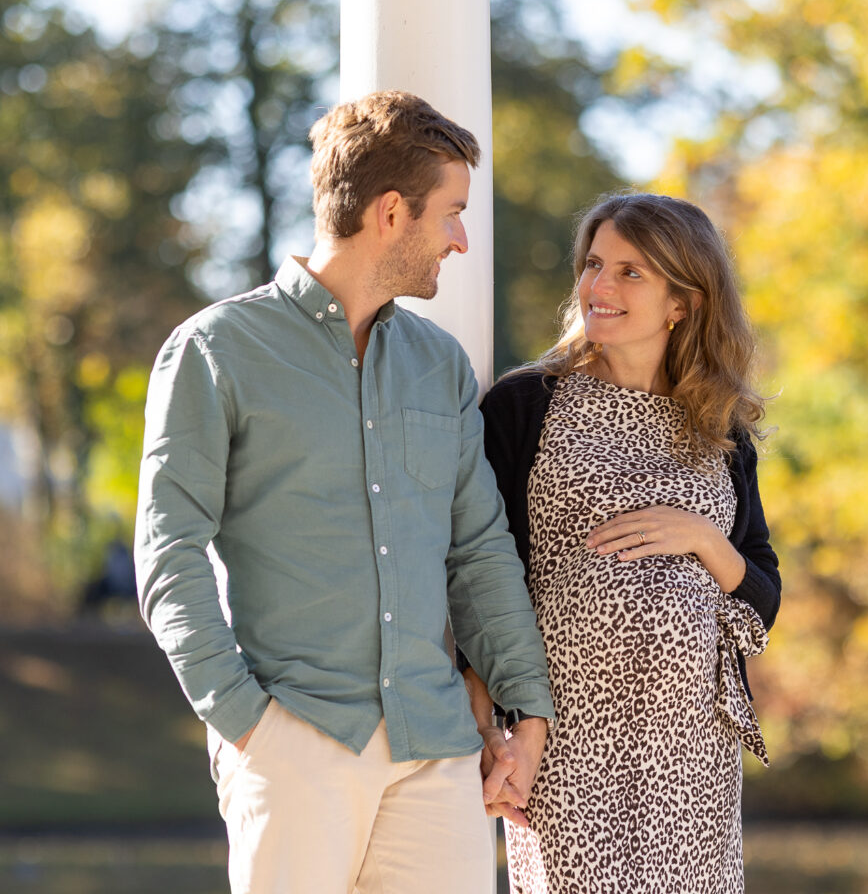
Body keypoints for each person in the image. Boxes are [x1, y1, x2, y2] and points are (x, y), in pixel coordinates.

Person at [134, 90, 554, 894]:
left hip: (435, 751)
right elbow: (168, 555)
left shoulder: (438, 364)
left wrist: (525, 709)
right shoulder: (215, 352)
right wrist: (246, 723)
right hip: (294, 743)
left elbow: (478, 551)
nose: (461, 240)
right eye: (452, 214)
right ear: (390, 213)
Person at [471, 192, 781, 894]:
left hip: (692, 749)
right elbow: (481, 574)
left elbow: (762, 592)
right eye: (593, 264)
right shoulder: (525, 405)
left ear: (683, 302)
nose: (599, 286)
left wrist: (702, 538)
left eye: (629, 272)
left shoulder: (721, 428)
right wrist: (491, 722)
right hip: (563, 739)